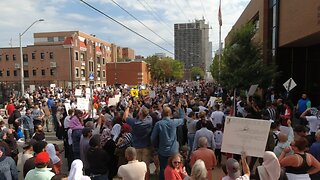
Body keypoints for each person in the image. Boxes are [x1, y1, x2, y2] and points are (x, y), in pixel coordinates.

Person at [151, 105, 185, 180]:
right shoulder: (174, 122)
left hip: (163, 150)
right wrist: (179, 108)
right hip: (173, 150)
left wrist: (157, 146)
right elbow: (182, 119)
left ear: (162, 113)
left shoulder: (159, 124)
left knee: (163, 169)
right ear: (170, 114)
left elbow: (152, 138)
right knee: (174, 168)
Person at [123, 101, 153, 179]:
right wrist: (139, 107)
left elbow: (125, 117)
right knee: (146, 167)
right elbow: (145, 113)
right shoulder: (149, 120)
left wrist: (128, 106)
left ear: (140, 114)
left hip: (137, 147)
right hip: (146, 147)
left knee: (138, 168)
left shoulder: (134, 122)